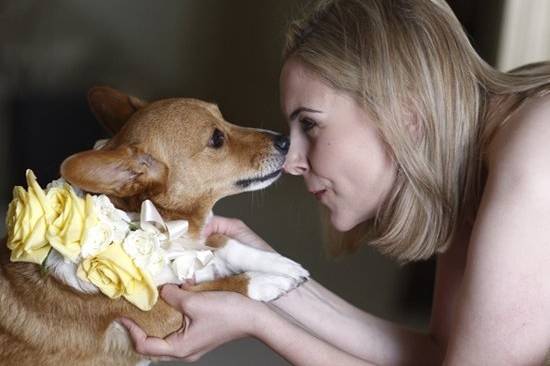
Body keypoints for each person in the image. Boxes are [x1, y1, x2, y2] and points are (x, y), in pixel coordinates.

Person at [119, 0, 550, 364]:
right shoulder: (476, 167)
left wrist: (259, 322)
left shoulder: (532, 159)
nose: (292, 162)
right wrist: (266, 277)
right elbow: (441, 353)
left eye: (311, 124)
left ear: (405, 113)